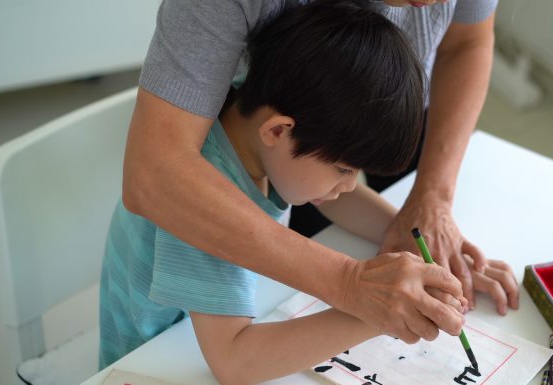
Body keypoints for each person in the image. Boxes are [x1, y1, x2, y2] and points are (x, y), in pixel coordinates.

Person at [99, 2, 468, 381]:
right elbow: (235, 361)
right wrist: (382, 309)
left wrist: (406, 234)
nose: (349, 184)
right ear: (278, 131)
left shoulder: (255, 118)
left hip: (206, 330)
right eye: (344, 168)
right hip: (152, 364)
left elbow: (333, 196)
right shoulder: (204, 196)